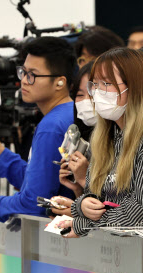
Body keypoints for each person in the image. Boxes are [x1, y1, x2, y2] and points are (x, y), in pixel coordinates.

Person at [59, 47, 143, 237]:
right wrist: (83, 205)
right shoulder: (105, 139)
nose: (98, 92)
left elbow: (142, 212)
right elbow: (92, 194)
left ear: (133, 87)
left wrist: (85, 224)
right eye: (96, 85)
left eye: (107, 84)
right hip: (109, 251)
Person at [0, 37, 76, 232]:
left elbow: (36, 202)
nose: (23, 80)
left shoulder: (52, 125)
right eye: (23, 72)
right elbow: (42, 182)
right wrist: (0, 152)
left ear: (59, 82)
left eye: (32, 75)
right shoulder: (70, 113)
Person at [56, 61, 95, 204]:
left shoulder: (123, 141)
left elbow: (120, 208)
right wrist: (77, 187)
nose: (86, 101)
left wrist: (85, 179)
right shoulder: (80, 136)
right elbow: (89, 207)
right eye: (79, 94)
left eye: (92, 94)